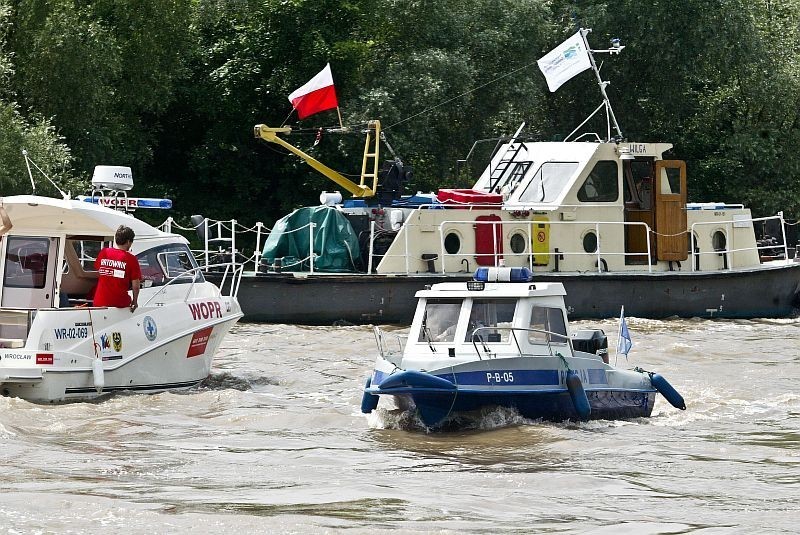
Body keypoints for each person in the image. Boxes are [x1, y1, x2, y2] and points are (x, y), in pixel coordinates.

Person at [93, 225, 142, 311]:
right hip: (119, 303)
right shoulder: (131, 259)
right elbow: (136, 286)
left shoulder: (104, 252)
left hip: (99, 302)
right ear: (128, 242)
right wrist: (135, 301)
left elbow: (100, 271)